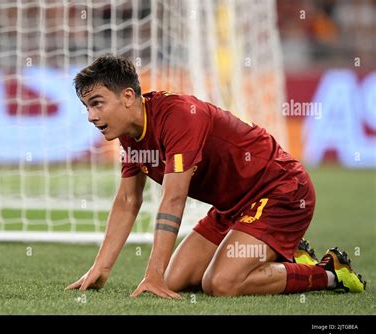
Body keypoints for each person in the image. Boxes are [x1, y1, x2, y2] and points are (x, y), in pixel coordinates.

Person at [66, 55, 365, 298]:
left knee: (221, 284)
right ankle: (282, 254)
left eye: (97, 103)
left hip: (279, 190)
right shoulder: (130, 133)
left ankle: (330, 273)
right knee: (176, 278)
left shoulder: (179, 115)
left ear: (128, 96)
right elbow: (128, 200)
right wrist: (101, 268)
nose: (91, 116)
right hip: (233, 206)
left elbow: (173, 199)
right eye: (87, 107)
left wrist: (151, 276)